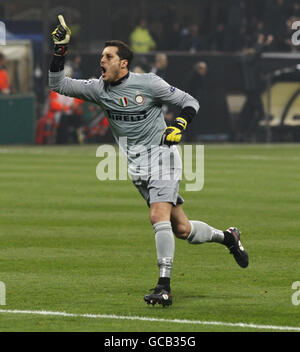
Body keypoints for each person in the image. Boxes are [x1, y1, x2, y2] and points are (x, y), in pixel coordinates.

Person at [49, 15, 249, 307]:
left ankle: (164, 287)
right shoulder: (98, 89)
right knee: (182, 229)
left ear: (123, 63)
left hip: (164, 159)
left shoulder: (149, 84)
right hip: (137, 167)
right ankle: (228, 237)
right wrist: (59, 50)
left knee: (158, 217)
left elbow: (190, 101)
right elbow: (58, 84)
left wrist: (179, 124)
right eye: (101, 57)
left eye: (108, 57)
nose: (101, 61)